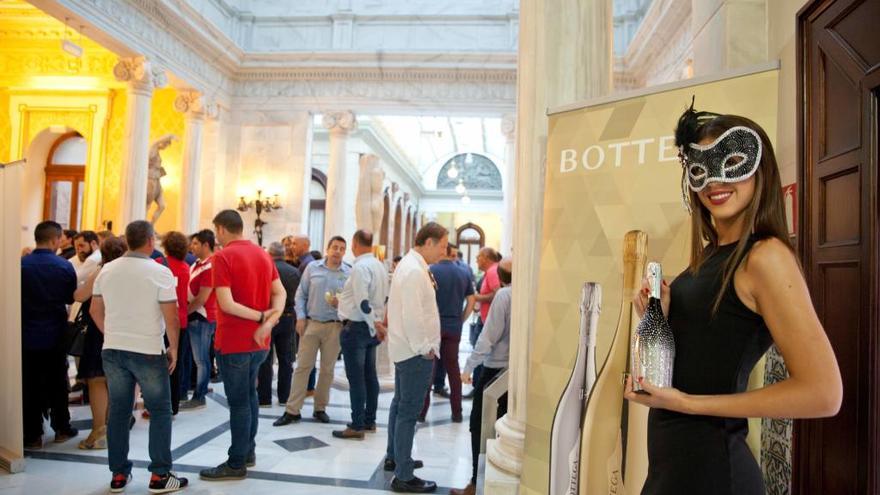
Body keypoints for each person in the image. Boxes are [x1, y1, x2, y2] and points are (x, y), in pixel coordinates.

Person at [624, 106, 842, 495]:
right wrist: (663, 315)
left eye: (732, 161)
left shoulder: (766, 256)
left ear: (761, 169)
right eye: (700, 168)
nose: (714, 180)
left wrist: (688, 404)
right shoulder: (712, 255)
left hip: (712, 473)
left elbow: (824, 393)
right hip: (674, 469)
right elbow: (708, 351)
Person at [90, 220, 188, 493]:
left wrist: (111, 331)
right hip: (146, 349)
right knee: (159, 410)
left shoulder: (106, 270)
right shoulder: (159, 271)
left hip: (113, 348)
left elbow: (95, 311)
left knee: (119, 411)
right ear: (149, 242)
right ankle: (160, 476)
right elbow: (171, 317)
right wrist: (174, 348)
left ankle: (119, 475)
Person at [199, 210, 285, 481]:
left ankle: (236, 462)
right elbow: (280, 292)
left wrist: (263, 317)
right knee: (249, 398)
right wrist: (268, 322)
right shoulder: (262, 254)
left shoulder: (222, 257)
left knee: (239, 403)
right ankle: (248, 451)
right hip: (259, 343)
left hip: (235, 340)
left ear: (222, 230)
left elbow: (226, 304)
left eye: (216, 232)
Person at [384, 222, 448, 493]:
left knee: (400, 406)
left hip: (407, 349)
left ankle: (397, 457)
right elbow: (413, 315)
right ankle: (404, 475)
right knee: (408, 412)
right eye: (443, 246)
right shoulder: (413, 270)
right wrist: (426, 347)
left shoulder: (414, 266)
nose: (444, 252)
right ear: (429, 242)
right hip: (413, 352)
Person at [274, 236, 351, 426]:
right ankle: (292, 410)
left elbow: (353, 301)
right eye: (334, 247)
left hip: (335, 326)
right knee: (302, 367)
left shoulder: (349, 272)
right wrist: (300, 317)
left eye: (342, 248)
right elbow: (300, 295)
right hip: (311, 324)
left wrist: (342, 304)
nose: (337, 251)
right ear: (327, 249)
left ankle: (320, 408)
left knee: (327, 370)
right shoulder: (313, 268)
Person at [451, 258, 512, 495]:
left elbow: (489, 336)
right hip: (514, 373)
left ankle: (478, 483)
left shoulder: (505, 296)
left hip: (495, 371)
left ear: (501, 278)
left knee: (480, 426)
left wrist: (468, 367)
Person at [21, 221, 78, 449]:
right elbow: (70, 298)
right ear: (55, 240)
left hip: (26, 332)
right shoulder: (63, 266)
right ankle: (62, 428)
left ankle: (32, 434)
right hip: (55, 332)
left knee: (29, 383)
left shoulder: (21, 265)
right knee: (57, 382)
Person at [333, 230, 389, 440]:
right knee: (369, 376)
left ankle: (357, 425)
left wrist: (375, 326)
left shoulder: (360, 267)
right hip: (369, 328)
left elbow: (362, 302)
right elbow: (382, 299)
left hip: (358, 328)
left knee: (356, 379)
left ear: (355, 243)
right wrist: (378, 324)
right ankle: (369, 420)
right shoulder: (379, 265)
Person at [75, 236, 128, 450]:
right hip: (122, 330)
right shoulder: (128, 273)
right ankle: (113, 428)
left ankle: (99, 430)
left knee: (97, 380)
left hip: (99, 330)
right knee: (116, 381)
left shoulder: (102, 271)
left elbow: (79, 296)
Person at [420, 242, 475, 422]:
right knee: (453, 369)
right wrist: (461, 319)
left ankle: (422, 412)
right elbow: (472, 301)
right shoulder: (464, 272)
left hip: (433, 326)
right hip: (453, 326)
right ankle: (457, 412)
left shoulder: (431, 270)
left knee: (429, 368)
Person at [258, 242, 301, 407]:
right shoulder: (294, 272)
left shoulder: (265, 269)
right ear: (283, 254)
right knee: (286, 359)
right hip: (288, 317)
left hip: (268, 317)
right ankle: (284, 397)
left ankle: (264, 398)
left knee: (265, 359)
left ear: (270, 254)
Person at [180, 230, 217, 411]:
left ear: (205, 245)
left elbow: (202, 298)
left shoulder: (210, 266)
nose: (191, 247)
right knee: (197, 358)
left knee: (201, 359)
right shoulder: (197, 264)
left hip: (202, 316)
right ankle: (197, 391)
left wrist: (183, 313)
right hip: (193, 315)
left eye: (195, 243)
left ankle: (199, 395)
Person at [155, 232, 192, 416]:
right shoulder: (186, 267)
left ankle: (159, 404)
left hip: (162, 319)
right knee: (176, 365)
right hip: (181, 320)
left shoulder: (159, 264)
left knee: (159, 363)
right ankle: (174, 405)